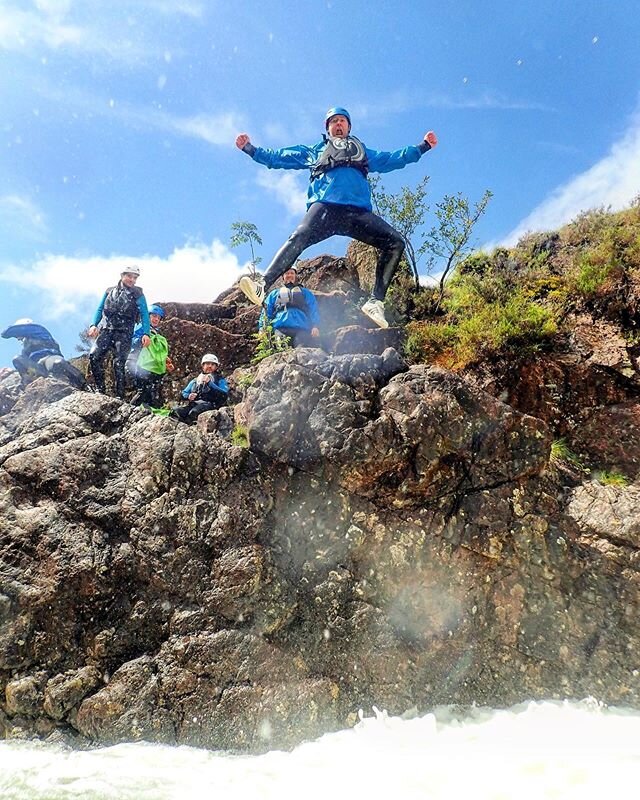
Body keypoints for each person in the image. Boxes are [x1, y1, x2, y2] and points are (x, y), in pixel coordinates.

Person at [236, 106, 438, 328]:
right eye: (334, 121)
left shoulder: (363, 152)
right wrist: (250, 149)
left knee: (395, 242)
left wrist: (422, 147)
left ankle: (375, 302)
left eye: (342, 121)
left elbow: (391, 159)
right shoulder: (314, 151)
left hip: (356, 213)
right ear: (328, 127)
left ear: (349, 126)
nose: (338, 124)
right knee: (300, 235)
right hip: (325, 208)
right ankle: (263, 285)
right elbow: (279, 157)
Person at [87, 266, 151, 398]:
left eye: (135, 278)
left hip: (124, 333)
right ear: (122, 275)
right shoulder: (109, 291)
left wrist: (146, 333)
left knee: (119, 363)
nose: (132, 280)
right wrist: (94, 325)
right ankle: (100, 389)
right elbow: (100, 309)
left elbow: (144, 313)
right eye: (129, 276)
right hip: (107, 329)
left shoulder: (138, 294)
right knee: (94, 356)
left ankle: (119, 396)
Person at [1, 318, 87, 389]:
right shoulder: (25, 347)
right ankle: (37, 381)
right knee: (17, 359)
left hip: (49, 357)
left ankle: (84, 383)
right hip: (37, 366)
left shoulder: (38, 330)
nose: (18, 338)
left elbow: (7, 332)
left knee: (58, 363)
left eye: (17, 336)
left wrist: (10, 331)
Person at [260, 266, 321, 348]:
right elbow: (266, 312)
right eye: (287, 273)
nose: (289, 275)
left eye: (292, 273)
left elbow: (313, 309)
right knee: (281, 347)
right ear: (283, 277)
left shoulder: (305, 293)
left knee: (301, 350)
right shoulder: (274, 294)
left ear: (295, 276)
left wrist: (315, 326)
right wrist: (262, 328)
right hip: (280, 328)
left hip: (302, 328)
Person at [129, 305, 175, 408]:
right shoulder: (141, 327)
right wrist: (142, 339)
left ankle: (146, 412)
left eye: (158, 318)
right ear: (147, 316)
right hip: (137, 362)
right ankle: (129, 411)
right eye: (154, 316)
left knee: (149, 391)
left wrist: (165, 361)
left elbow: (154, 352)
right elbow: (132, 343)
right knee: (143, 391)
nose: (156, 319)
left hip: (148, 366)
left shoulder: (156, 332)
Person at [172, 353, 229, 424]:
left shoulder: (220, 380)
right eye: (207, 364)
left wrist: (210, 384)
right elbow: (183, 393)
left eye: (213, 364)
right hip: (195, 404)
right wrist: (189, 396)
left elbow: (224, 394)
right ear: (203, 366)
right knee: (176, 412)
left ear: (216, 367)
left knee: (194, 412)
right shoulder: (196, 380)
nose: (210, 366)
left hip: (211, 404)